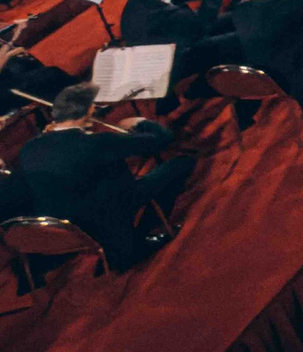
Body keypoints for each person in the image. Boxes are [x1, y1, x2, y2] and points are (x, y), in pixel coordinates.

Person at [14, 82, 194, 267]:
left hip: (63, 227)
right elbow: (162, 139)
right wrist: (140, 122)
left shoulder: (29, 148)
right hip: (103, 215)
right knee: (182, 164)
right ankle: (139, 240)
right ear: (89, 109)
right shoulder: (97, 142)